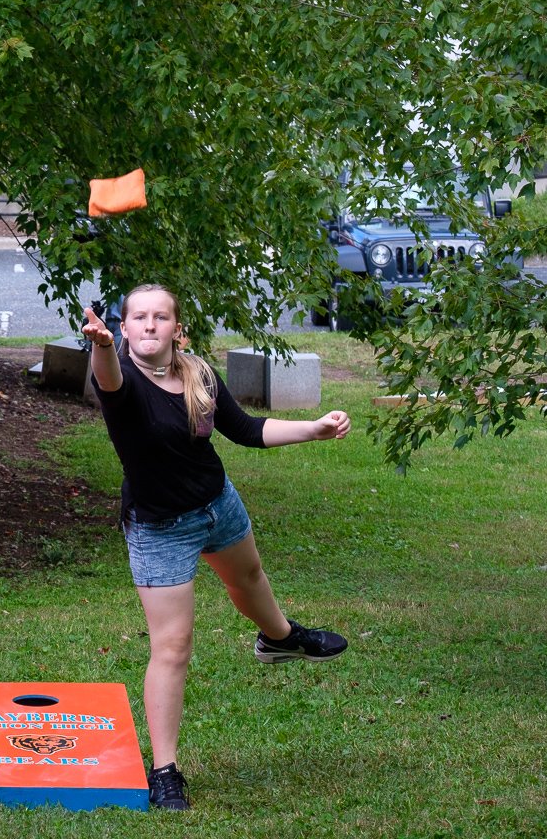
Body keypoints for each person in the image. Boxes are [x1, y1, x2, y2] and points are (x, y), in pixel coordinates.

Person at [81, 284, 350, 811]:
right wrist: (102, 346)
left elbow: (247, 430)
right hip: (160, 528)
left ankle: (280, 639)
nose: (150, 325)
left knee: (247, 580)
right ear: (125, 328)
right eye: (138, 318)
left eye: (161, 317)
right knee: (173, 646)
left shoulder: (198, 373)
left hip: (217, 503)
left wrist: (315, 430)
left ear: (177, 328)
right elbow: (108, 375)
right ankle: (164, 771)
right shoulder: (121, 379)